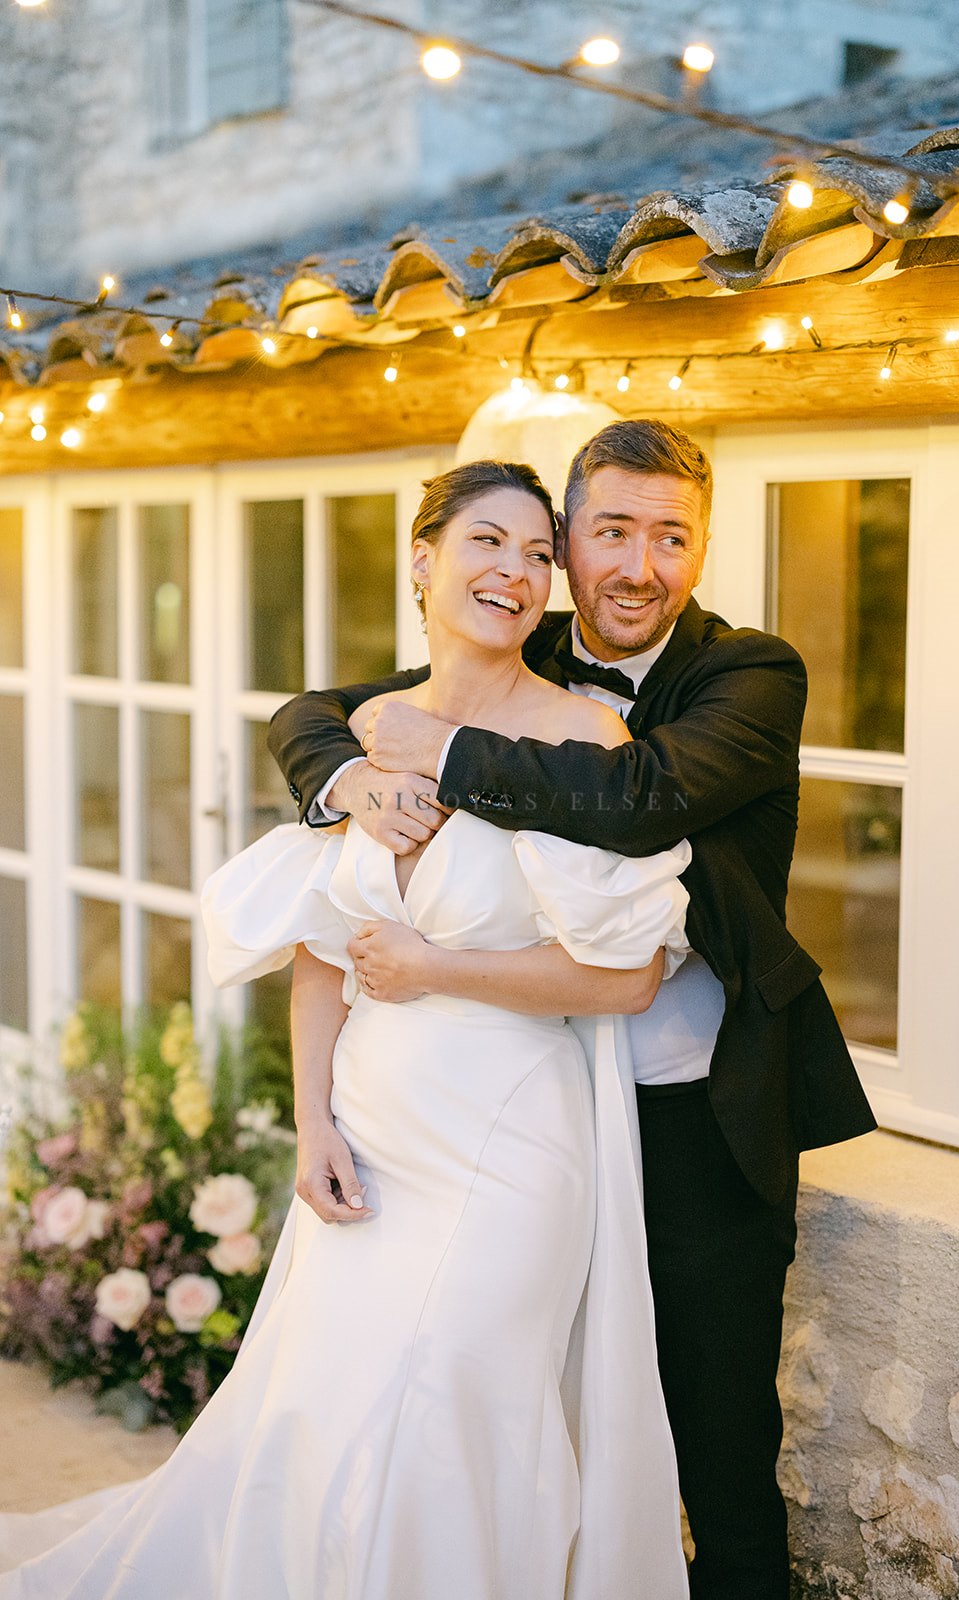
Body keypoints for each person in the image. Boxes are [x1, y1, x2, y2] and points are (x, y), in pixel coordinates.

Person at [0, 461, 693, 1599]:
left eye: (534, 554)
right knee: (325, 1392)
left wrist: (432, 964)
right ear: (421, 558)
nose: (514, 573)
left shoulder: (581, 738)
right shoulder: (365, 732)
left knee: (452, 1388)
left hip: (508, 1136)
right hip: (371, 1118)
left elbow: (618, 981)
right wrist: (309, 1115)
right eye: (486, 542)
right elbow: (326, 947)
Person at [268, 419, 879, 1600]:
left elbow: (642, 797)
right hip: (526, 1098)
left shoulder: (752, 671)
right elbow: (316, 710)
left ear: (700, 549)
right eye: (608, 533)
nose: (638, 567)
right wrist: (344, 776)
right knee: (515, 1404)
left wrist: (440, 751)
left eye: (671, 537)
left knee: (714, 1425)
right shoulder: (519, 636)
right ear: (568, 540)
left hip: (691, 1103)